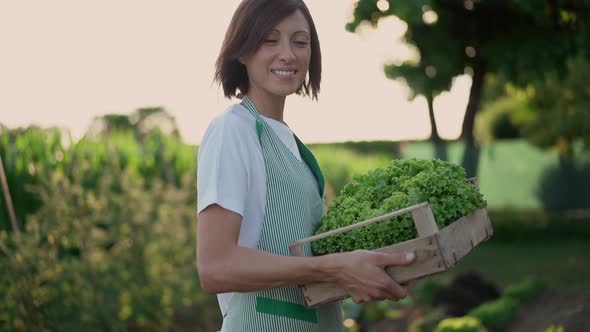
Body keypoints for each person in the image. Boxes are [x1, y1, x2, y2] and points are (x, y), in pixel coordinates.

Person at [196, 0, 415, 331]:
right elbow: (215, 266)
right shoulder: (233, 131)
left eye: (300, 42)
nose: (288, 54)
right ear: (242, 51)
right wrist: (333, 268)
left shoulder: (290, 142)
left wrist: (365, 270)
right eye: (270, 40)